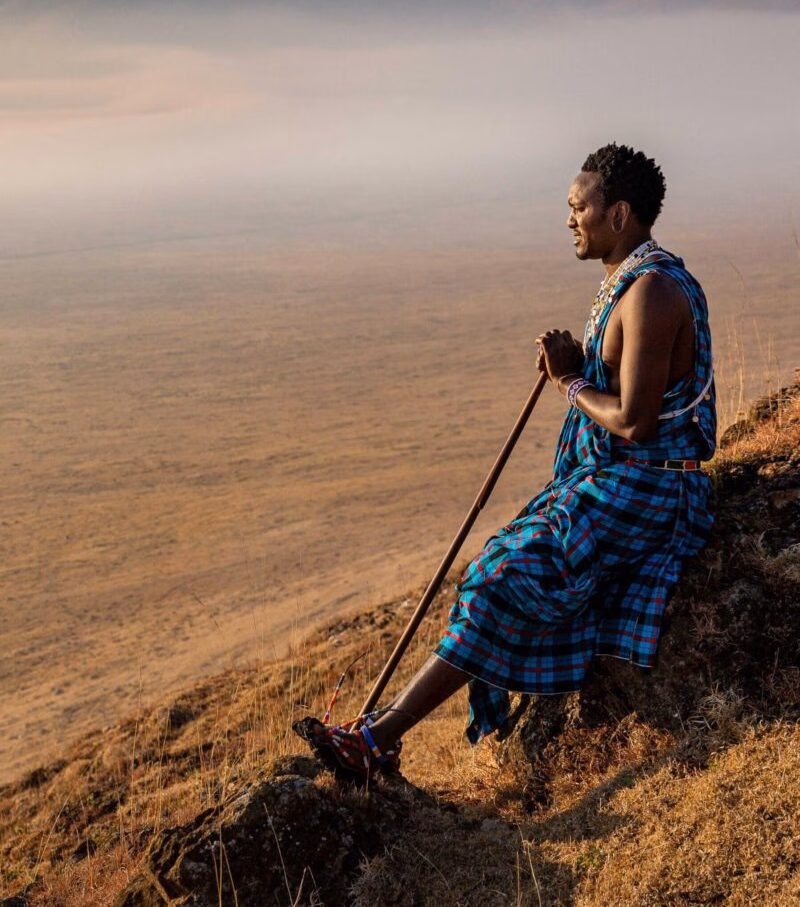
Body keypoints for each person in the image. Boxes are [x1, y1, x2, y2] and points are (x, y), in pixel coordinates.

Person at [295, 143, 716, 784]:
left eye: (579, 207)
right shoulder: (627, 284)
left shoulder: (653, 292)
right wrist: (580, 362)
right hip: (613, 482)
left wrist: (570, 382)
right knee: (491, 567)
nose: (569, 219)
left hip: (652, 488)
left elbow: (635, 421)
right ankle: (381, 731)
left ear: (620, 213)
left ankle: (376, 741)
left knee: (502, 577)